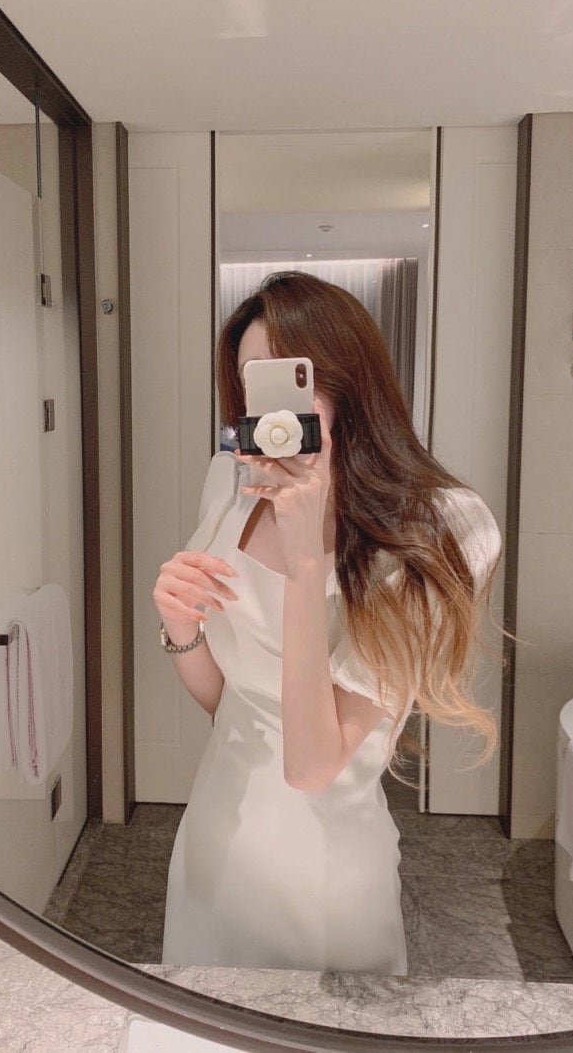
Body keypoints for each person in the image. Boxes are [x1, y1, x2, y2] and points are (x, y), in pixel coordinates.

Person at [154, 271, 503, 973]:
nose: (273, 404)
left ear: (349, 380)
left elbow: (313, 764)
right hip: (214, 848)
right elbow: (229, 705)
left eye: (294, 376)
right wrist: (180, 627)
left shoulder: (442, 528)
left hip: (324, 879)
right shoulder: (229, 483)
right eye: (253, 380)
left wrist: (307, 560)